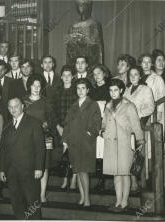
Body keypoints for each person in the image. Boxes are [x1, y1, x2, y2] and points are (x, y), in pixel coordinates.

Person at [102, 79, 145, 212]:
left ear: (121, 90)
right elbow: (103, 123)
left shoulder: (129, 106)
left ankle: (125, 201)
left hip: (124, 143)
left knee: (125, 173)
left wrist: (140, 141)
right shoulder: (108, 105)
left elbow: (136, 126)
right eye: (110, 90)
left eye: (115, 90)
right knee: (116, 174)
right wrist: (102, 131)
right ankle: (118, 201)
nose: (113, 93)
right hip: (110, 143)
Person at [0, 98, 45, 220]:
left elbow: (40, 147)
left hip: (30, 171)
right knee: (16, 203)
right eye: (10, 107)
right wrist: (2, 169)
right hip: (12, 172)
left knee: (33, 203)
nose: (13, 109)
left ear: (22, 106)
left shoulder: (34, 122)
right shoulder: (7, 125)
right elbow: (3, 149)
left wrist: (39, 168)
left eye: (16, 106)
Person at [62, 78, 101, 207]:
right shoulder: (73, 105)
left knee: (84, 170)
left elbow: (97, 124)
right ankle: (82, 197)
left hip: (86, 143)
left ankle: (87, 199)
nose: (80, 91)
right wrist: (65, 140)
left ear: (88, 90)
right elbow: (67, 124)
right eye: (78, 88)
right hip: (74, 142)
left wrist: (89, 134)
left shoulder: (93, 104)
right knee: (78, 170)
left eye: (83, 88)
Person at [23, 75, 57, 204]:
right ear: (29, 86)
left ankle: (42, 194)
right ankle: (31, 194)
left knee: (44, 166)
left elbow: (52, 120)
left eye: (39, 86)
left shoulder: (46, 102)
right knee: (29, 165)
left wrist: (47, 125)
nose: (36, 88)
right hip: (28, 138)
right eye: (34, 85)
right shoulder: (23, 102)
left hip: (44, 137)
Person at [123, 66, 155, 193]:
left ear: (140, 76)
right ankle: (131, 181)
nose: (133, 77)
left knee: (137, 154)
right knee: (127, 154)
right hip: (125, 126)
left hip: (138, 124)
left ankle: (137, 182)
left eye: (136, 74)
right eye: (131, 74)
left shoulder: (145, 89)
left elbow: (150, 107)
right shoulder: (126, 90)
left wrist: (136, 115)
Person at [52, 65, 78, 190]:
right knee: (63, 156)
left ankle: (74, 179)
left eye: (69, 75)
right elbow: (53, 112)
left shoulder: (76, 91)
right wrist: (58, 126)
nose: (67, 78)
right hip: (60, 128)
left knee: (74, 155)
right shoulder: (57, 92)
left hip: (74, 128)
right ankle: (64, 179)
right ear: (61, 77)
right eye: (64, 75)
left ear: (73, 77)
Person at [89, 64, 110, 192]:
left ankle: (103, 180)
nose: (97, 76)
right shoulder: (91, 90)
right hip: (93, 123)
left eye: (99, 73)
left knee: (103, 152)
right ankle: (98, 178)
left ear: (104, 74)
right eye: (95, 74)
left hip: (104, 123)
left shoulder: (109, 88)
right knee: (96, 151)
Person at [65, 0, 103, 67]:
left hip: (91, 61)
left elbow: (99, 47)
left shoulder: (94, 24)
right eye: (79, 5)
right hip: (76, 61)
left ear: (89, 7)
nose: (81, 8)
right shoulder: (73, 25)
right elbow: (69, 49)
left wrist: (100, 65)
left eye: (83, 5)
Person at [139, 53, 165, 126]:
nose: (146, 64)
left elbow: (162, 96)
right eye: (144, 62)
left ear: (152, 64)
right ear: (141, 64)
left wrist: (160, 111)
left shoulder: (157, 78)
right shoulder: (138, 78)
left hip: (154, 111)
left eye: (149, 62)